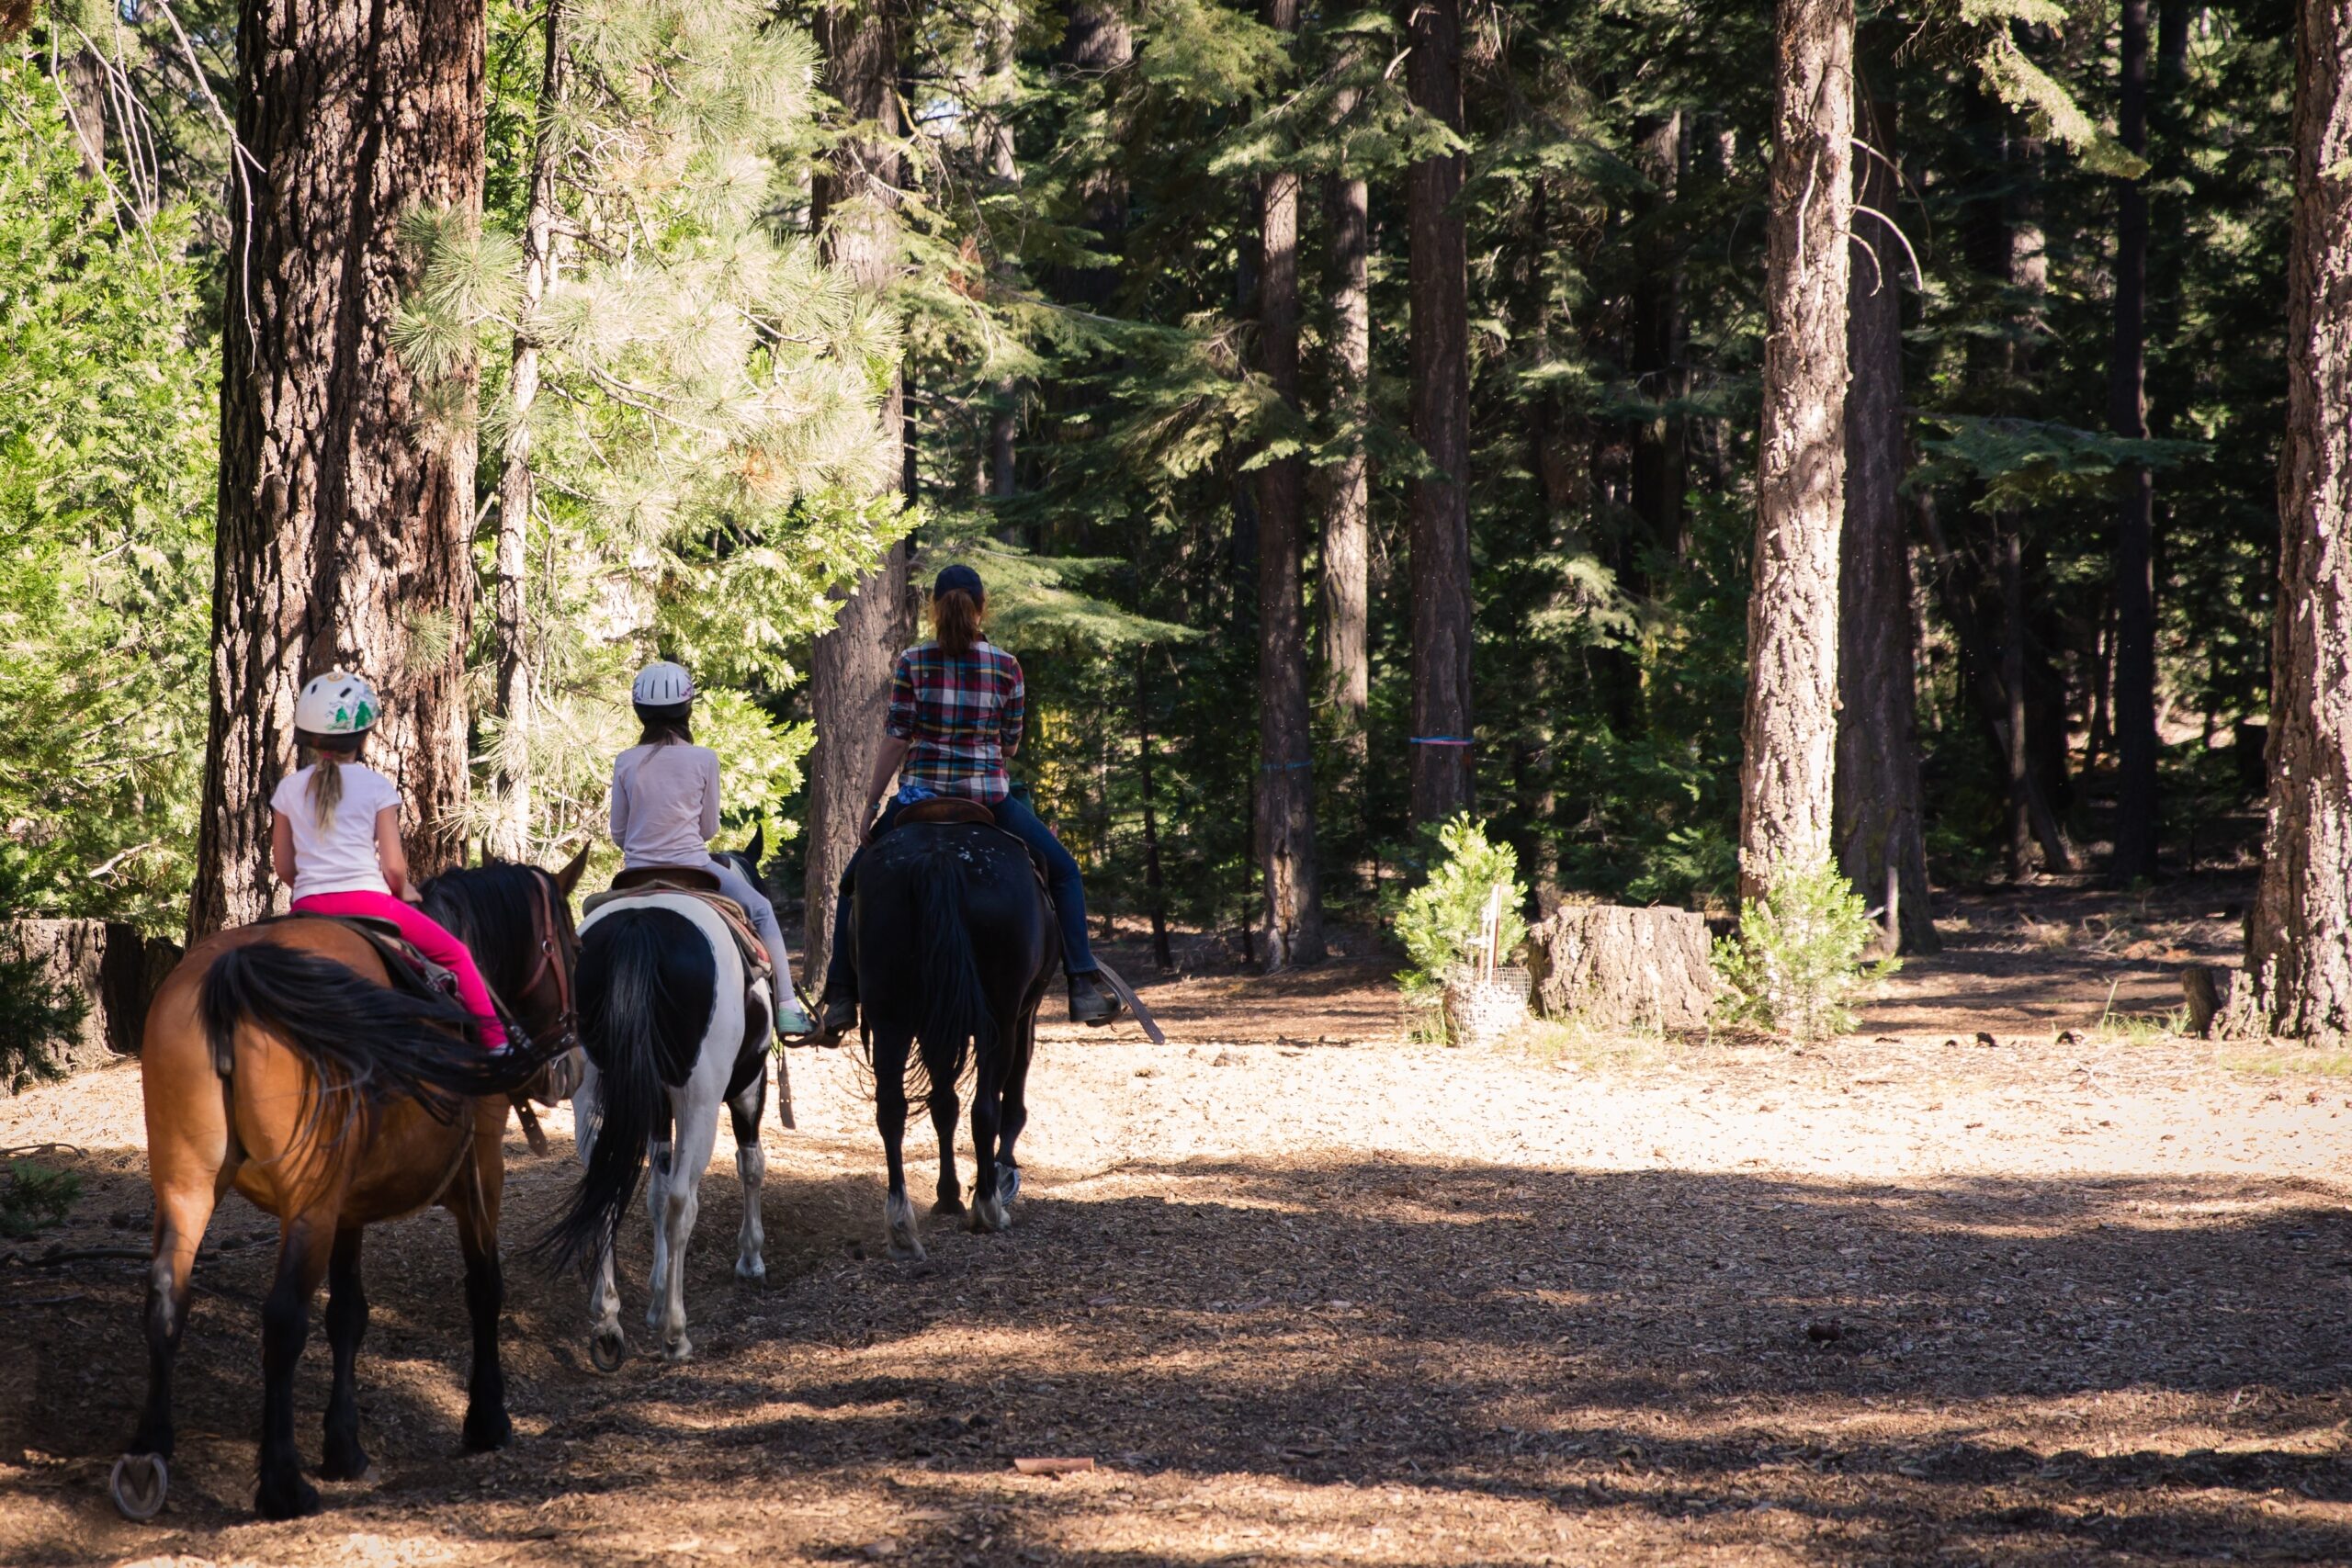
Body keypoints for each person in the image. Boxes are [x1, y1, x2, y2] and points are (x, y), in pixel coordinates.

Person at [815, 564, 1121, 1041]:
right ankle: (1082, 979)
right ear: (981, 607)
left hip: (920, 797)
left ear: (935, 609)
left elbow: (896, 739)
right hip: (990, 800)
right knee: (1063, 872)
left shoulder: (913, 662)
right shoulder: (1006, 665)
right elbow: (1011, 744)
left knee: (854, 880)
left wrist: (873, 804)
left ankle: (839, 994)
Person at [270, 670, 509, 1051]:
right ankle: (498, 1044)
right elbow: (393, 868)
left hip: (308, 905)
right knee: (456, 954)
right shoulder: (377, 787)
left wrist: (315, 887)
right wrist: (406, 891)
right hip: (370, 902)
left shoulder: (288, 788)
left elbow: (284, 867)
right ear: (362, 737)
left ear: (309, 738)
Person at [608, 660, 814, 1035]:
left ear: (639, 712)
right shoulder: (704, 758)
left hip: (633, 874)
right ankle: (787, 1006)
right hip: (695, 869)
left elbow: (619, 834)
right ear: (688, 708)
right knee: (763, 910)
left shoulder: (625, 761)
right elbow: (708, 829)